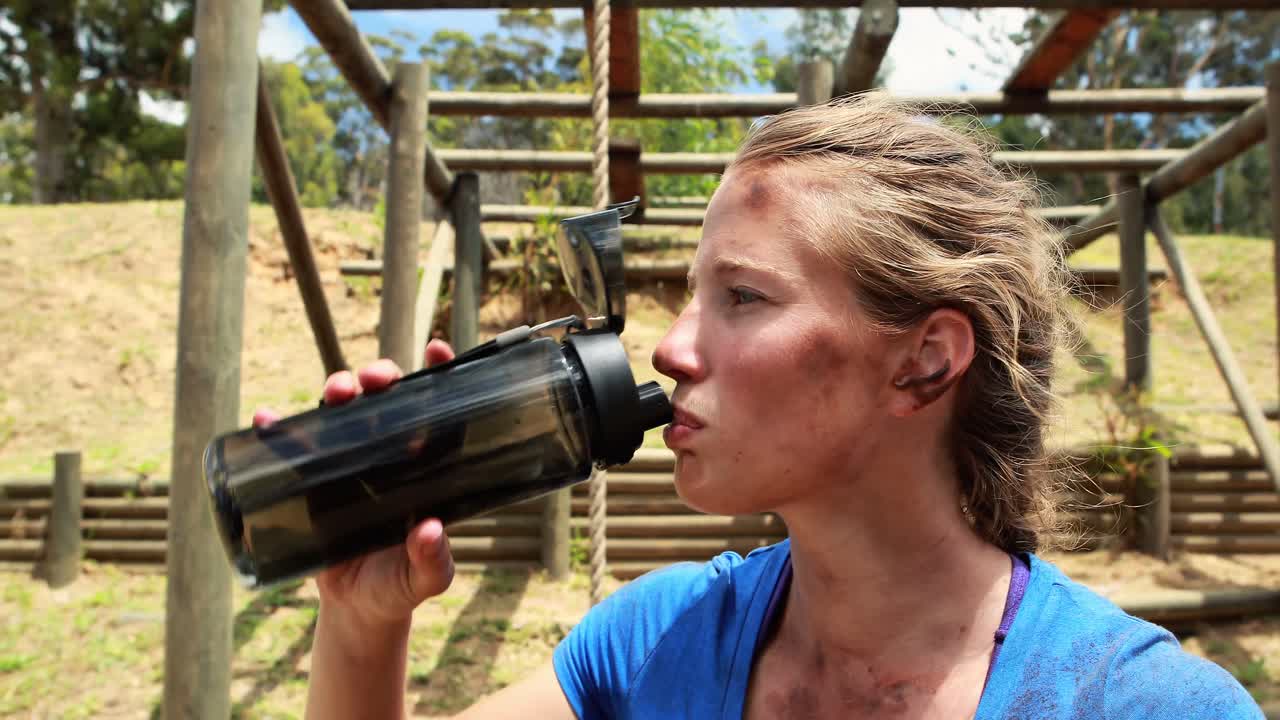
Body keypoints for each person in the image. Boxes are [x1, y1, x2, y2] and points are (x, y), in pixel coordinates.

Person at [258, 94, 1262, 719]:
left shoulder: (1137, 704)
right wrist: (362, 623)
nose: (667, 346)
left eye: (740, 298)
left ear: (922, 360)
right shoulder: (652, 642)